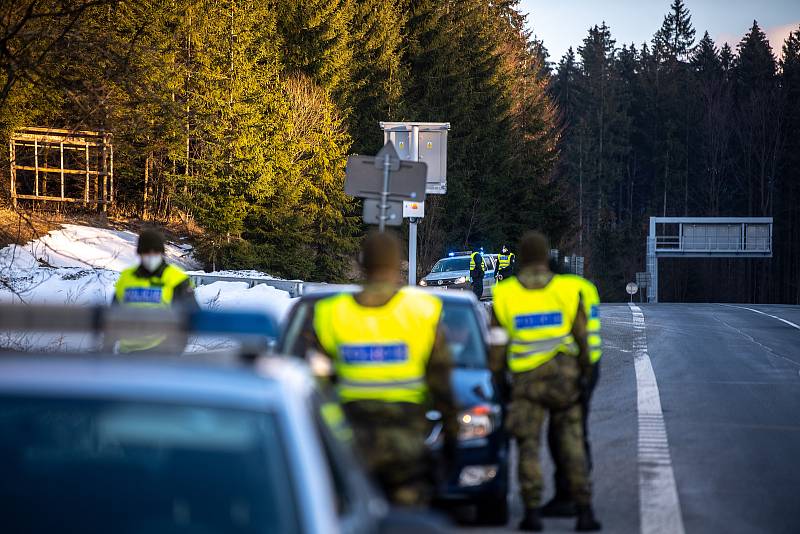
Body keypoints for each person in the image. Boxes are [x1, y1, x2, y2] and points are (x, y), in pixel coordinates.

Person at [311, 231, 458, 506]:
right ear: (395, 264)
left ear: (361, 264)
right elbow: (442, 381)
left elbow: (317, 384)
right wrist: (452, 437)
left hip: (351, 447)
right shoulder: (421, 311)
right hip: (406, 447)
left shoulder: (332, 313)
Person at [490, 231, 601, 532]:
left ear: (522, 258)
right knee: (572, 444)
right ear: (546, 258)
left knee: (528, 446)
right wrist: (584, 379)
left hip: (527, 384)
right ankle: (585, 511)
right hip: (564, 379)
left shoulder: (505, 294)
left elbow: (497, 347)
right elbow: (583, 340)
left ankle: (532, 513)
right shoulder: (566, 290)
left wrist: (502, 385)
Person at [543, 273, 602, 517]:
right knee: (574, 432)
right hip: (588, 366)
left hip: (572, 369)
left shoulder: (559, 291)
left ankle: (570, 495)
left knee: (562, 434)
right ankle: (576, 494)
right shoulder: (587, 287)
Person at [111, 228, 198, 353]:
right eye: (146, 252)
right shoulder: (126, 277)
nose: (151, 255)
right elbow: (113, 314)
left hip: (161, 352)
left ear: (161, 253)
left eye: (155, 252)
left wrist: (174, 350)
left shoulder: (176, 279)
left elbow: (191, 315)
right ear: (140, 253)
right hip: (126, 352)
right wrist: (107, 348)